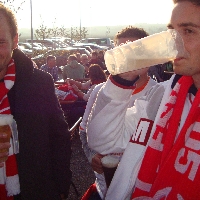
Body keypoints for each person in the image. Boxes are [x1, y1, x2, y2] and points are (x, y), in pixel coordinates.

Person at [86, 0, 200, 199]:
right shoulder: (165, 96)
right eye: (172, 31)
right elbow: (105, 142)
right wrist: (123, 79)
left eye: (188, 31)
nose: (174, 42)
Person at [0, 3, 72, 200]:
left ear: (15, 41)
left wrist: (60, 188)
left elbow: (59, 138)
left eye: (0, 42)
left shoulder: (40, 83)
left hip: (35, 191)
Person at [80, 26, 157, 199]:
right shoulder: (100, 91)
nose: (128, 57)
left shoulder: (159, 93)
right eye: (122, 51)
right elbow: (84, 130)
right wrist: (93, 155)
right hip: (104, 187)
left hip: (141, 189)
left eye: (134, 50)